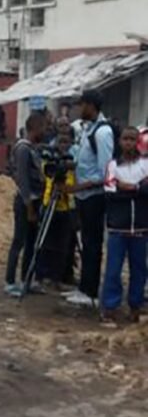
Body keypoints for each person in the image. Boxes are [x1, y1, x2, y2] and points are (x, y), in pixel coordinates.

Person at [65, 90, 115, 308]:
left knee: (93, 244)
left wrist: (77, 186)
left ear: (91, 106)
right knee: (86, 242)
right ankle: (84, 287)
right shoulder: (88, 129)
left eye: (82, 105)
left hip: (94, 197)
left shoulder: (103, 133)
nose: (79, 109)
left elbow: (105, 172)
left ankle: (91, 292)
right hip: (84, 196)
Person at [99, 127, 148, 325]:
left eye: (131, 139)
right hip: (117, 226)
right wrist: (138, 189)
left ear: (137, 142)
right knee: (113, 269)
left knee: (139, 269)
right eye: (125, 139)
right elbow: (110, 192)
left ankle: (135, 306)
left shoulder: (145, 163)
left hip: (141, 227)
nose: (128, 143)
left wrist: (129, 187)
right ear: (119, 142)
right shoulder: (112, 165)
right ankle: (110, 307)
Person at [4, 114, 45, 297]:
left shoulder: (34, 149)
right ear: (34, 127)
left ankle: (27, 279)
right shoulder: (23, 149)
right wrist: (28, 206)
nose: (45, 131)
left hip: (35, 201)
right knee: (19, 241)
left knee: (32, 243)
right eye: (43, 126)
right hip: (25, 202)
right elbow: (23, 181)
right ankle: (10, 281)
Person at [38, 130, 76, 290]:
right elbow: (44, 177)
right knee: (45, 242)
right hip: (50, 203)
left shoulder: (72, 163)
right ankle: (41, 274)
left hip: (66, 207)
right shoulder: (49, 160)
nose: (63, 145)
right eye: (61, 142)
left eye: (66, 142)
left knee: (63, 244)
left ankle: (57, 277)